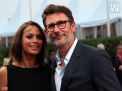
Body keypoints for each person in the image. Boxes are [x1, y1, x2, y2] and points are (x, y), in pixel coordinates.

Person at [42, 4, 122, 91]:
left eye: (61, 23)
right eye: (51, 26)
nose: (56, 30)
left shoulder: (95, 57)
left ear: (73, 26)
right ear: (46, 32)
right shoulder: (53, 64)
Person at [0, 21, 51, 91]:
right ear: (20, 40)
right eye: (29, 37)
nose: (35, 40)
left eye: (39, 37)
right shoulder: (5, 73)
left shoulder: (48, 70)